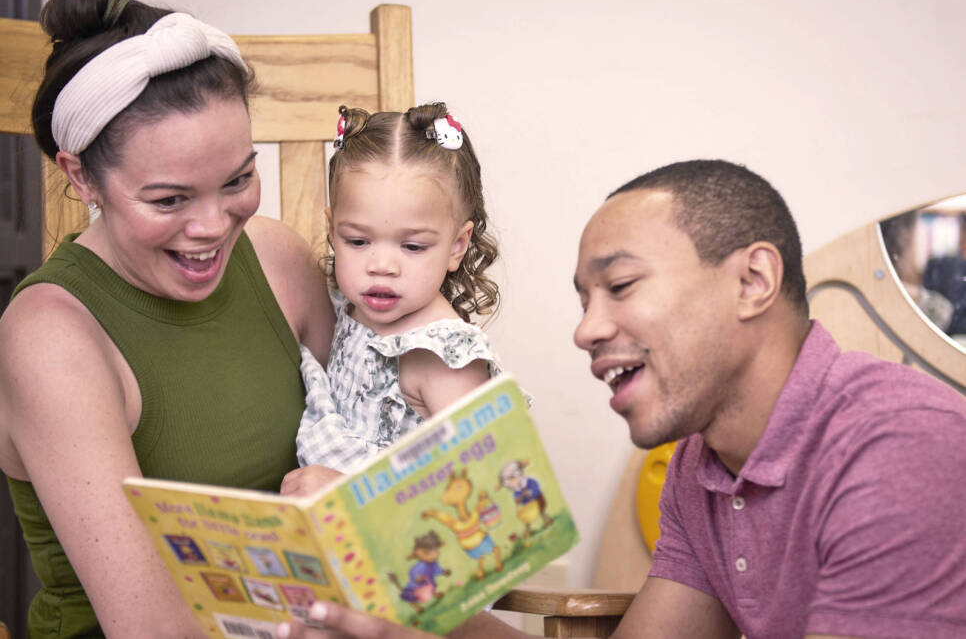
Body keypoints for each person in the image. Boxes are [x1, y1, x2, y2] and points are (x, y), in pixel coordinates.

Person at [278, 159, 966, 639]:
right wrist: (409, 615)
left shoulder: (899, 446)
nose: (585, 329)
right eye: (583, 300)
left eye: (622, 286)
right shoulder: (702, 469)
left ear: (753, 280)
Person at [0, 0, 333, 637]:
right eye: (169, 198)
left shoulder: (278, 261)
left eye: (238, 179)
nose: (211, 227)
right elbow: (153, 628)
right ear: (81, 177)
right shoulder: (51, 335)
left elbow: (370, 437)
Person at [280, 103, 509, 497]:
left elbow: (483, 487)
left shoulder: (441, 356)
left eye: (413, 246)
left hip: (406, 548)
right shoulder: (344, 308)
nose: (381, 265)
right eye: (357, 241)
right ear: (332, 230)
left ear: (458, 245)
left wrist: (348, 491)